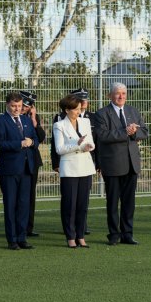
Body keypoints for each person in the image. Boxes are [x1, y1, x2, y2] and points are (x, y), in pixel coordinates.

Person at [93, 83, 148, 245]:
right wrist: (126, 131)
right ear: (110, 95)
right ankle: (114, 234)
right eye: (117, 93)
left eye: (123, 93)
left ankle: (127, 233)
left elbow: (144, 132)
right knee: (112, 201)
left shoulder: (133, 111)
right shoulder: (102, 113)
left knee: (129, 202)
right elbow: (103, 136)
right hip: (113, 164)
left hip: (132, 164)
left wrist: (134, 132)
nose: (121, 96)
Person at [0, 91, 40, 250]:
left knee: (24, 205)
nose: (16, 109)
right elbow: (0, 144)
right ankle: (12, 239)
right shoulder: (0, 121)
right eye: (13, 106)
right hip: (9, 170)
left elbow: (36, 140)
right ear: (7, 105)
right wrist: (20, 144)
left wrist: (32, 142)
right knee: (11, 205)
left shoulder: (26, 120)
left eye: (19, 106)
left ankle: (22, 237)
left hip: (27, 169)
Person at [51, 88, 97, 234]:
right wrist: (77, 144)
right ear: (67, 110)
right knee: (69, 205)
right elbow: (59, 149)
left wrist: (88, 146)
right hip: (69, 169)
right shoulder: (59, 125)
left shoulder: (85, 121)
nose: (79, 111)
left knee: (83, 205)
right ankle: (70, 236)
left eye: (79, 109)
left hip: (85, 167)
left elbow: (91, 142)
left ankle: (81, 235)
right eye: (76, 109)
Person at [19, 90, 47, 237]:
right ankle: (18, 226)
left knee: (30, 195)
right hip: (18, 160)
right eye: (22, 104)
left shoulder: (33, 118)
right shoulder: (12, 117)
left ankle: (28, 227)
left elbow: (41, 138)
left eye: (27, 105)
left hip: (32, 161)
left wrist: (35, 122)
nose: (24, 107)